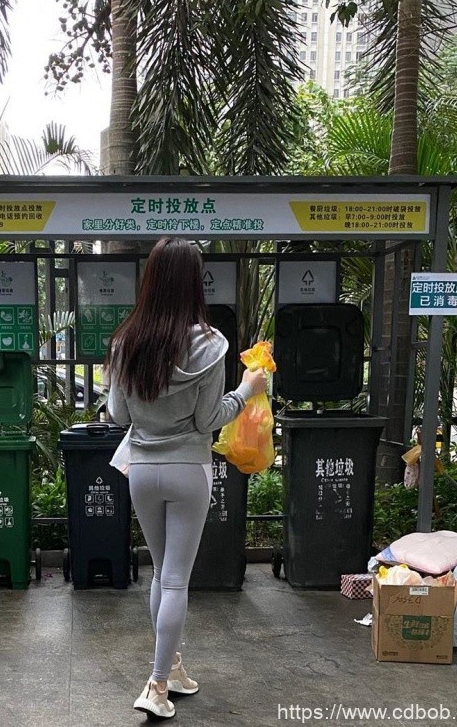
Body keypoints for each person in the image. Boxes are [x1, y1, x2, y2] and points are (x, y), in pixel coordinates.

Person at [106, 237, 267, 719]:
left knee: (160, 574)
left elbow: (116, 413)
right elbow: (207, 420)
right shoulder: (211, 344)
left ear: (150, 280)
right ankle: (156, 685)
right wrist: (247, 389)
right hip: (188, 470)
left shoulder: (125, 341)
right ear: (194, 283)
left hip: (141, 470)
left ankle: (171, 666)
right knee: (175, 581)